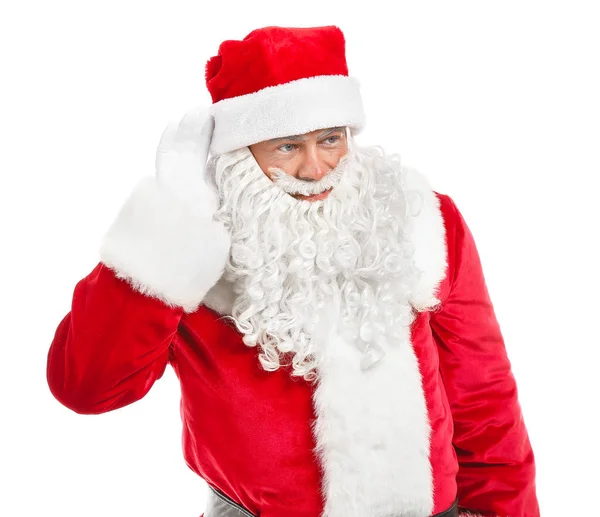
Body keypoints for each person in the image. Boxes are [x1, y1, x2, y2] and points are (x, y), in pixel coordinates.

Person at [46, 25, 540, 517]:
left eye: (330, 139)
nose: (315, 169)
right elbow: (86, 387)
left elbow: (483, 397)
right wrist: (170, 220)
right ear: (241, 152)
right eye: (286, 146)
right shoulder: (191, 248)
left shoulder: (421, 221)